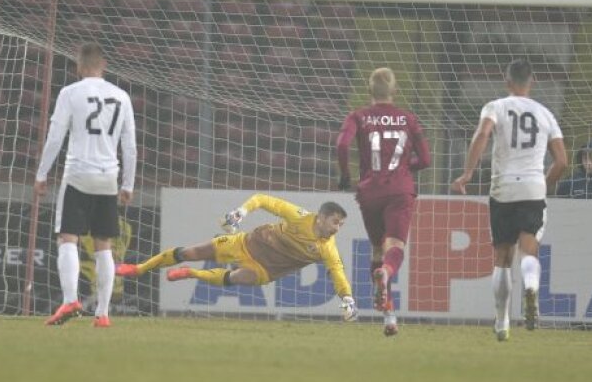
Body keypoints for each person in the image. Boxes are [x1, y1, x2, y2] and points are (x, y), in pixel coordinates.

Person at [451, 59, 568, 341]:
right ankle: (531, 285)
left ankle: (502, 322)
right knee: (528, 250)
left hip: (503, 189)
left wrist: (467, 173)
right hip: (532, 188)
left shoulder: (496, 107)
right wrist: (543, 183)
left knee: (502, 258)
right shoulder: (545, 114)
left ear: (507, 82)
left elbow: (482, 134)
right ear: (532, 82)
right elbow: (562, 161)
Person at [115, 194, 359, 322]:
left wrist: (347, 298)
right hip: (245, 243)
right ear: (321, 217)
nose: (337, 228)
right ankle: (138, 269)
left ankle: (192, 274)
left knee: (240, 277)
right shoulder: (299, 216)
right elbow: (263, 199)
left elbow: (337, 271)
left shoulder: (327, 248)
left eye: (341, 224)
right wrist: (241, 212)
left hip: (265, 269)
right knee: (189, 253)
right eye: (335, 222)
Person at [34, 42, 137, 329]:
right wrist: (127, 183)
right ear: (104, 65)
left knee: (68, 237)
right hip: (108, 178)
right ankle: (103, 314)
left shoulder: (70, 93)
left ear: (79, 66)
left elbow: (55, 137)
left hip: (78, 174)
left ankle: (70, 300)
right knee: (104, 245)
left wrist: (42, 174)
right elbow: (130, 145)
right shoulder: (121, 96)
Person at [335, 67, 431, 336]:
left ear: (369, 91)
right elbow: (425, 160)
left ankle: (389, 317)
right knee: (394, 248)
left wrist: (345, 175)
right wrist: (403, 165)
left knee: (378, 249)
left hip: (369, 192)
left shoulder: (359, 116)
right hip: (399, 190)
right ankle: (387, 273)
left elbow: (342, 145)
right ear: (394, 91)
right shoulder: (408, 119)